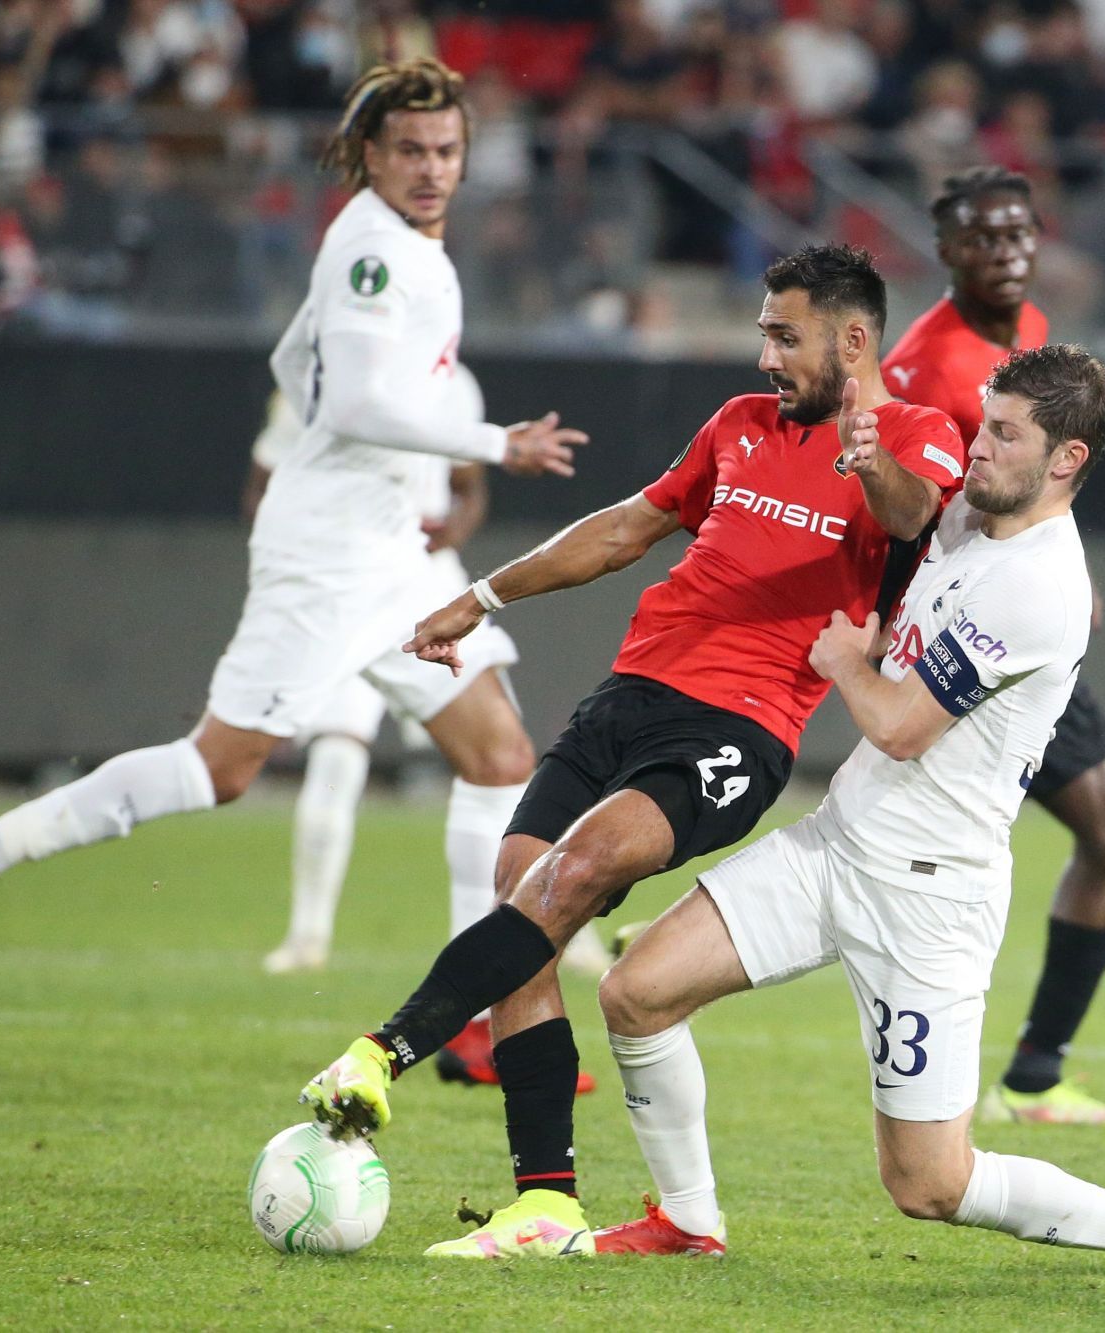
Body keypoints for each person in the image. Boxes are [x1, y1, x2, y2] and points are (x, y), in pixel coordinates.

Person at [299, 243, 968, 1259]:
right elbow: (626, 530)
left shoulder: (917, 436)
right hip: (629, 696)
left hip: (738, 728)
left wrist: (868, 452)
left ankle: (377, 1053)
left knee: (578, 870)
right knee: (525, 886)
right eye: (764, 334)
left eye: (786, 337)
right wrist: (478, 598)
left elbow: (913, 516)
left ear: (855, 339)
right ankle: (545, 1199)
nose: (766, 359)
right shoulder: (739, 428)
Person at [0, 57, 587, 984]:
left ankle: (469, 1010)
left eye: (448, 149)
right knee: (218, 769)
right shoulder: (374, 250)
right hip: (329, 552)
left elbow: (291, 355)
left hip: (390, 549)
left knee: (501, 753)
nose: (432, 167)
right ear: (369, 156)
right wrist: (493, 442)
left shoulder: (404, 248)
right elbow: (347, 403)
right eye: (411, 149)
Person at [590, 344, 1105, 1269]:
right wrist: (868, 453)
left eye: (1006, 435)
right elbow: (914, 517)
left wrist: (847, 658)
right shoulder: (975, 517)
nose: (979, 448)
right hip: (835, 846)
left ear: (1067, 460)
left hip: (928, 898)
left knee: (929, 1185)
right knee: (636, 993)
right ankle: (689, 1223)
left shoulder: (1037, 586)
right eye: (983, 423)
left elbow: (896, 724)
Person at [241, 384, 610, 1089]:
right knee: (297, 760)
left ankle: (481, 1010)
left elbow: (466, 487)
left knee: (502, 760)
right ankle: (310, 935)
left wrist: (456, 529)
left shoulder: (448, 378)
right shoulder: (318, 381)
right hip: (342, 589)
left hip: (420, 589)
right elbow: (263, 483)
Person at [881, 166, 1105, 1129]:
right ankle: (1033, 1079)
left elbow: (1024, 496)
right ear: (947, 252)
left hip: (1013, 622)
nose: (1007, 251)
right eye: (984, 238)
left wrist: (1060, 576)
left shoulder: (1029, 338)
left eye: (1019, 232)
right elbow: (914, 514)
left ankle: (1036, 1074)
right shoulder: (927, 365)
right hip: (973, 636)